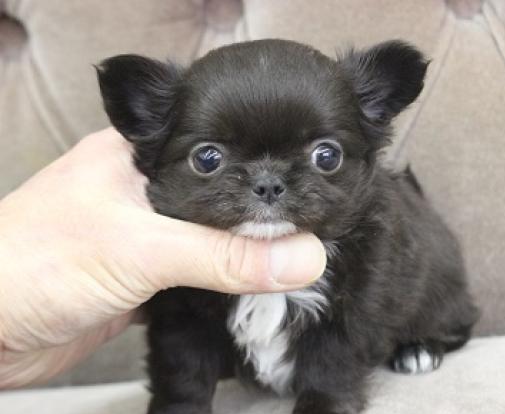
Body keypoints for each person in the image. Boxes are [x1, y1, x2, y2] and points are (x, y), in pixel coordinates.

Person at [0, 128, 326, 389]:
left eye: (325, 157)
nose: (267, 185)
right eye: (209, 159)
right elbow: (181, 337)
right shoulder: (167, 266)